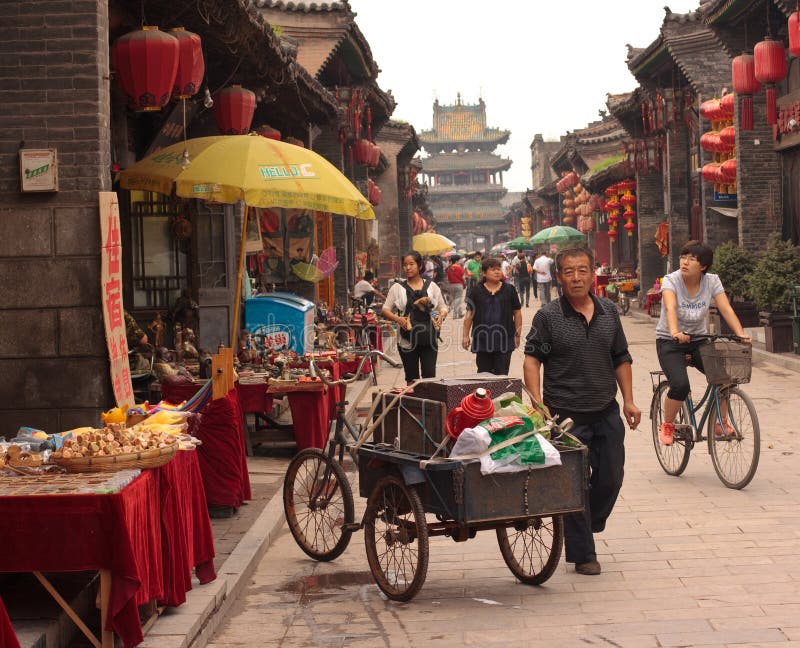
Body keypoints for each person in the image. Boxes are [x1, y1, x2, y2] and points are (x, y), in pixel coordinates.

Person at [523, 244, 641, 576]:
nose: (576, 278)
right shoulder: (548, 317)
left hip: (605, 410)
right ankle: (583, 553)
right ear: (558, 277)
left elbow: (621, 357)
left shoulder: (608, 312)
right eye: (569, 272)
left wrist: (629, 399)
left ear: (593, 273)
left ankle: (591, 518)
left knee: (610, 478)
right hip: (565, 416)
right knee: (573, 484)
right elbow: (533, 360)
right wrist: (537, 401)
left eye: (582, 270)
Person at [655, 240, 751, 445]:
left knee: (724, 378)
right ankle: (668, 424)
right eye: (683, 257)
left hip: (698, 340)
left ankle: (721, 423)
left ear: (703, 266)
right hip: (669, 341)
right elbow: (670, 307)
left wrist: (740, 334)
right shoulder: (671, 281)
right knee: (680, 385)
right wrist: (674, 331)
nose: (685, 262)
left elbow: (725, 309)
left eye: (692, 259)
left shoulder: (712, 281)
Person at [382, 251, 448, 384]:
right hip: (407, 339)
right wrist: (398, 319)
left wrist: (441, 316)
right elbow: (385, 309)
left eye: (411, 264)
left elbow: (443, 307)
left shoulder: (432, 286)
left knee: (430, 377)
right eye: (405, 265)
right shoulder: (397, 288)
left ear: (419, 265)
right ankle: (414, 404)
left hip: (429, 336)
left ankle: (428, 403)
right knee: (411, 377)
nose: (408, 268)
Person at [463, 257, 522, 375]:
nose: (497, 272)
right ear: (484, 273)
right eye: (493, 269)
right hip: (483, 339)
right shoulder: (476, 291)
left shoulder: (509, 289)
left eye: (499, 269)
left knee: (502, 374)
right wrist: (465, 336)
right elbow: (469, 314)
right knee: (484, 374)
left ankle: (500, 393)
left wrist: (517, 335)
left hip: (505, 338)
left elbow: (517, 312)